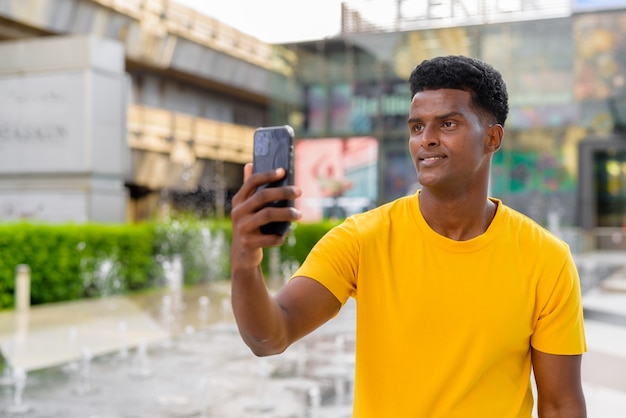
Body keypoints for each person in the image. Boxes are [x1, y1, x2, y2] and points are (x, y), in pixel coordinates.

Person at [229, 55, 587, 417]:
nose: (426, 140)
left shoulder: (546, 258)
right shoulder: (360, 239)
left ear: (492, 138)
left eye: (447, 124)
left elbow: (560, 404)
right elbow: (270, 337)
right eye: (417, 127)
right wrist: (245, 262)